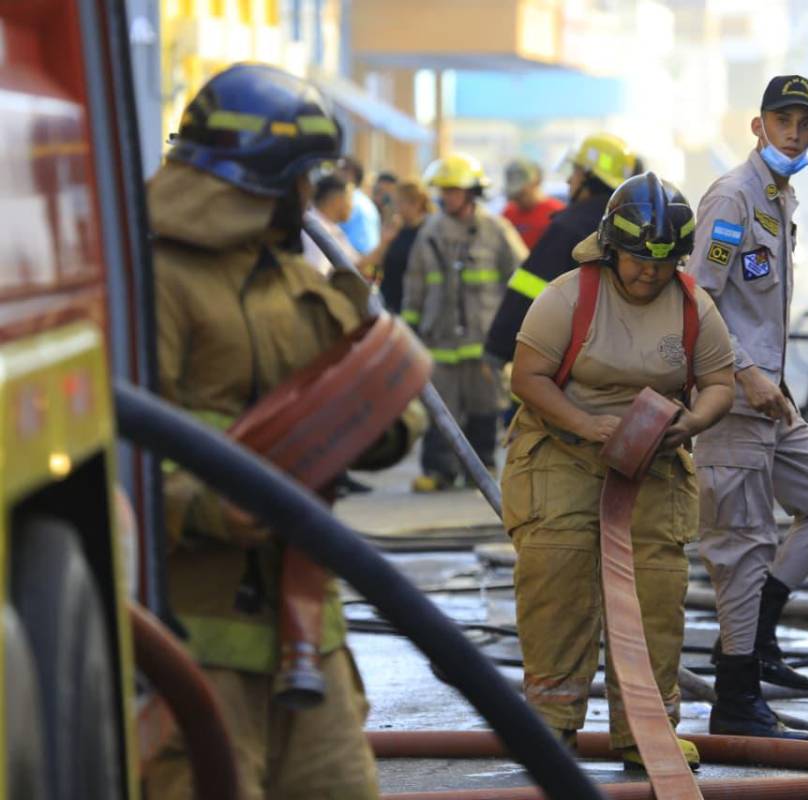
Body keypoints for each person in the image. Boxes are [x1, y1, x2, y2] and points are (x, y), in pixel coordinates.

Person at [144, 63, 419, 800]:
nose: (315, 196)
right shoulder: (154, 283)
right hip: (190, 640)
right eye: (306, 177)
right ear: (271, 181)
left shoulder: (302, 286)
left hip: (307, 635)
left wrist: (368, 351)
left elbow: (395, 424)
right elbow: (109, 449)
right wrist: (204, 505)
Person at [504, 172, 734, 770]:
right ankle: (550, 727)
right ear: (612, 247)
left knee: (655, 589)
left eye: (662, 262)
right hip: (562, 451)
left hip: (653, 458)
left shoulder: (691, 306)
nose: (648, 274)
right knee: (557, 575)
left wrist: (691, 423)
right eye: (636, 260)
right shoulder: (568, 297)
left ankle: (646, 732)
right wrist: (586, 424)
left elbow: (718, 383)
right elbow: (525, 378)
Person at [687, 74, 808, 740]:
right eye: (781, 121)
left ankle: (759, 629)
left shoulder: (778, 197)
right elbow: (698, 302)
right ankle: (737, 699)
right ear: (757, 125)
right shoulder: (733, 197)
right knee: (742, 546)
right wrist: (743, 372)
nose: (792, 134)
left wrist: (773, 380)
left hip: (767, 396)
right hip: (731, 398)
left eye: (803, 125)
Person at [403, 152, 528, 491]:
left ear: (472, 192)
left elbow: (521, 277)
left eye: (453, 190)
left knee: (484, 404)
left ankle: (482, 467)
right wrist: (409, 328)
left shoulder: (495, 229)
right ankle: (439, 470)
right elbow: (415, 282)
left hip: (483, 337)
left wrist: (515, 329)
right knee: (440, 406)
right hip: (439, 338)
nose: (446, 197)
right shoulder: (430, 232)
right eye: (443, 190)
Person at [485, 132, 637, 365]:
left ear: (588, 177)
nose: (568, 181)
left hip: (576, 360)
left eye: (574, 172)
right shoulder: (635, 224)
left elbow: (529, 289)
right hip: (631, 354)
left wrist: (498, 347)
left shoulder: (569, 227)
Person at [302, 173, 396, 281]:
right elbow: (317, 278)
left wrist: (385, 242)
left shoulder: (330, 229)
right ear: (337, 200)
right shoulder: (313, 232)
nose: (353, 206)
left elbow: (356, 265)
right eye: (350, 198)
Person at [379, 178, 434, 314]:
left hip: (417, 305)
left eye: (400, 203)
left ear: (416, 204)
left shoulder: (429, 231)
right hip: (391, 302)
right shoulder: (398, 230)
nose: (396, 208)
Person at [502, 157, 565, 250]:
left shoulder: (557, 213)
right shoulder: (507, 214)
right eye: (514, 195)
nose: (517, 198)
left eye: (522, 193)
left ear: (536, 182)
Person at [338, 155, 382, 254]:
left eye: (341, 169)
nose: (335, 173)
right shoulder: (365, 201)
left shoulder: (348, 201)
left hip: (352, 262)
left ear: (351, 174)